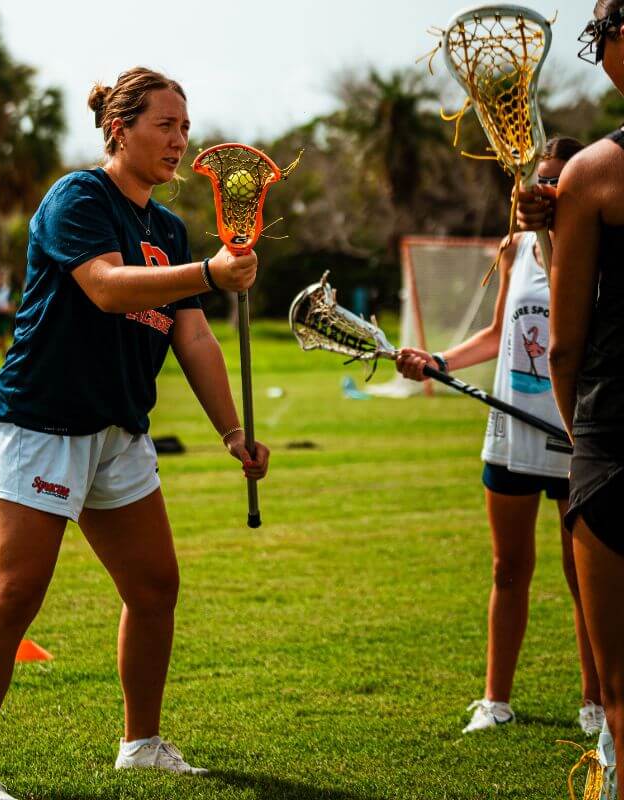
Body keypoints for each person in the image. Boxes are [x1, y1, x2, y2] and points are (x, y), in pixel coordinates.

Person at [0, 67, 270, 800]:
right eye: (166, 125)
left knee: (155, 587)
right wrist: (211, 275)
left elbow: (194, 338)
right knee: (15, 594)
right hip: (44, 421)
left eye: (185, 127)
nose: (180, 140)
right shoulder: (78, 197)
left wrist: (231, 431)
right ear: (119, 129)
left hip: (121, 430)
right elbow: (104, 285)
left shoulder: (168, 227)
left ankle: (142, 743)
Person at [396, 138, 604, 736]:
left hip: (575, 432)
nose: (546, 192)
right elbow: (495, 335)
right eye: (539, 182)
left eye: (558, 181)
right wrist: (439, 360)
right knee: (507, 569)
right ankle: (496, 699)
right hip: (512, 431)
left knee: (583, 576)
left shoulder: (600, 248)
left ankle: (594, 701)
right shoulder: (513, 250)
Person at [519, 2, 624, 795]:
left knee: (620, 696)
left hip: (617, 442)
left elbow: (564, 343)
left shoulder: (596, 170)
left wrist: (581, 430)